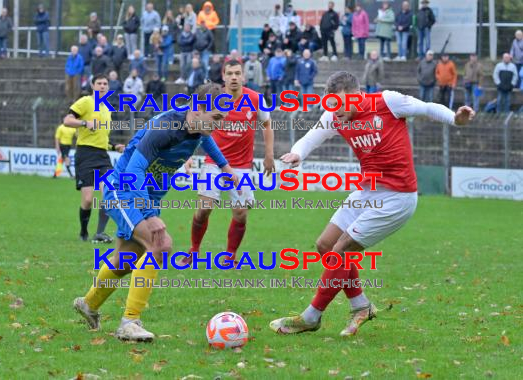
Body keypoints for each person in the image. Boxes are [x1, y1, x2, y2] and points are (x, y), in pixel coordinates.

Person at [270, 71, 475, 336]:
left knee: (341, 249)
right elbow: (311, 137)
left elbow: (427, 108)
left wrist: (455, 119)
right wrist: (297, 153)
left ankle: (311, 317)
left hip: (397, 197)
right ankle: (361, 305)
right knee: (325, 245)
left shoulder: (387, 102)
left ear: (357, 97)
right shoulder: (334, 114)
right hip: (367, 190)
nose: (335, 111)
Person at [73, 83, 239, 342]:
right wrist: (151, 214)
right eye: (216, 118)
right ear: (197, 109)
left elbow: (206, 140)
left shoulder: (197, 125)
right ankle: (130, 322)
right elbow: (134, 171)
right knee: (160, 244)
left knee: (127, 258)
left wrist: (226, 169)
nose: (220, 124)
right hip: (123, 190)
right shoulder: (166, 128)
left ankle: (88, 304)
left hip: (143, 195)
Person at [180, 60, 274, 266]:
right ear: (223, 76)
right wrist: (187, 156)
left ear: (243, 76)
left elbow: (267, 125)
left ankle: (230, 256)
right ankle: (194, 249)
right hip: (214, 162)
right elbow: (192, 125)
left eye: (237, 73)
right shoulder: (213, 98)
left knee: (241, 215)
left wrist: (269, 155)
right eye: (229, 73)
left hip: (242, 166)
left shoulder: (256, 99)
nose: (233, 77)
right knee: (204, 209)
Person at [63, 74, 126, 243]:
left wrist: (114, 146)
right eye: (99, 83)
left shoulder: (106, 108)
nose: (103, 86)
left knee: (109, 192)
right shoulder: (85, 101)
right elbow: (67, 120)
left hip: (102, 156)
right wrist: (84, 123)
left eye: (105, 84)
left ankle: (99, 233)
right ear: (92, 85)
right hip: (85, 154)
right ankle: (83, 231)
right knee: (88, 199)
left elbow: (102, 137)